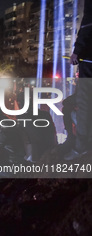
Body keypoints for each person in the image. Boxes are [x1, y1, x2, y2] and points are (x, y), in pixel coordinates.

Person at [64, 0, 92, 160]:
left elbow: (88, 23)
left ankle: (81, 146)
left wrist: (78, 50)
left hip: (89, 58)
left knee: (84, 102)